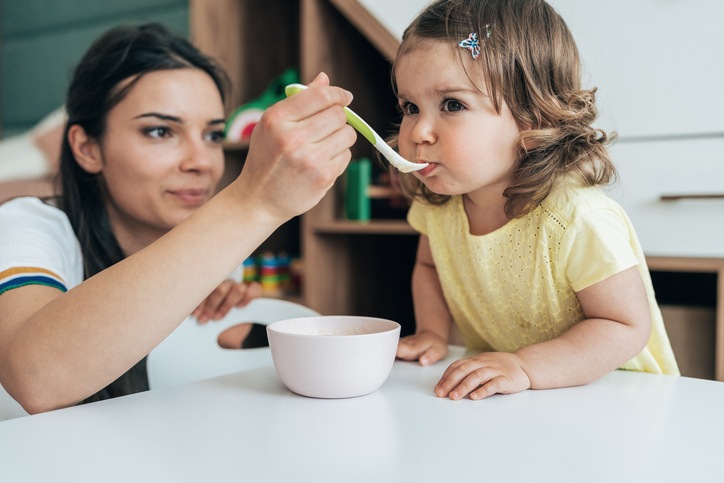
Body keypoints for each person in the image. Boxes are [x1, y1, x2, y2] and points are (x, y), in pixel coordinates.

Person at [0, 23, 355, 413]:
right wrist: (253, 201)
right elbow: (37, 379)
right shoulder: (28, 226)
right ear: (87, 148)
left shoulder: (210, 241)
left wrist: (222, 326)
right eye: (159, 131)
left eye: (213, 136)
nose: (201, 163)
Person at [392, 0, 679, 400]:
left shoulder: (577, 218)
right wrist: (432, 332)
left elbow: (624, 326)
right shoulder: (439, 203)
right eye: (409, 107)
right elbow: (428, 265)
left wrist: (525, 365)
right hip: (520, 402)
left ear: (533, 117)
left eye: (452, 104)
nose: (418, 131)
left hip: (616, 400)